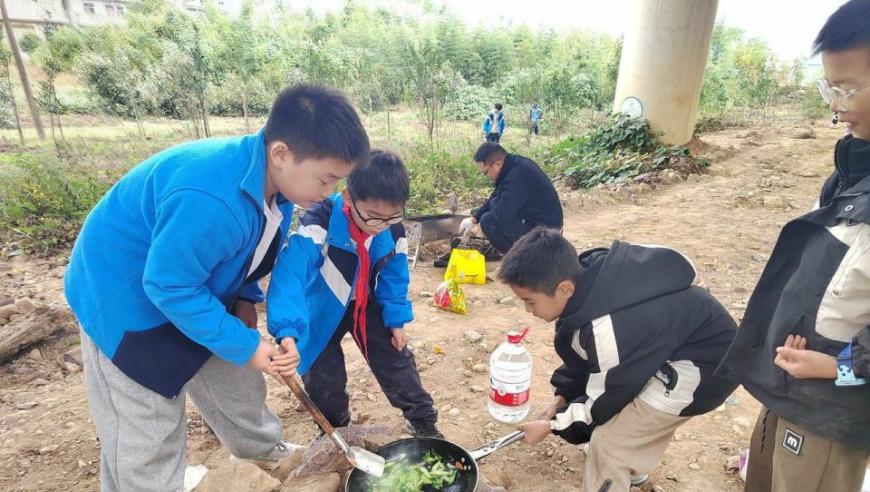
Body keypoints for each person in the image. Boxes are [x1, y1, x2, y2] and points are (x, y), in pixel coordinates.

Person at [64, 84, 370, 492]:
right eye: (326, 179)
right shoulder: (213, 197)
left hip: (190, 281)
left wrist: (245, 297)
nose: (329, 192)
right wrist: (246, 346)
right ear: (281, 153)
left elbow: (249, 247)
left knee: (236, 376)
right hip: (124, 298)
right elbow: (168, 285)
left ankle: (262, 451)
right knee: (147, 424)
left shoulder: (274, 182)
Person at [716, 2, 870, 490]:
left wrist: (839, 368)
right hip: (795, 386)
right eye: (830, 87)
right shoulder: (853, 171)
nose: (836, 104)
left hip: (831, 408)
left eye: (850, 89)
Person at [499, 228, 738, 492]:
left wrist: (552, 425)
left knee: (608, 444)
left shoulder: (606, 327)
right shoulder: (590, 283)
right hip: (674, 349)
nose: (528, 311)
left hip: (705, 370)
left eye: (530, 302)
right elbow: (589, 359)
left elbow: (605, 400)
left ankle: (620, 467)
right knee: (624, 419)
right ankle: (632, 466)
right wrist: (562, 398)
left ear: (564, 288)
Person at [267, 151, 442, 438]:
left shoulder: (393, 226)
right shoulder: (320, 221)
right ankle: (337, 432)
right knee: (324, 379)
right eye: (372, 216)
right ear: (348, 198)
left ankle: (424, 424)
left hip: (366, 305)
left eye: (390, 217)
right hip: (322, 309)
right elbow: (290, 274)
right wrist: (287, 330)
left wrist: (396, 320)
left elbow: (395, 274)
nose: (380, 225)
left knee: (397, 363)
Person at [457, 142, 563, 255]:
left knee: (489, 221)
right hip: (539, 221)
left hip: (547, 233)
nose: (487, 176)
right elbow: (496, 196)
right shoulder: (512, 166)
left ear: (497, 164)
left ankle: (521, 260)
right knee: (487, 215)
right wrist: (474, 218)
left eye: (485, 172)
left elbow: (502, 214)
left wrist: (495, 202)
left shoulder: (518, 176)